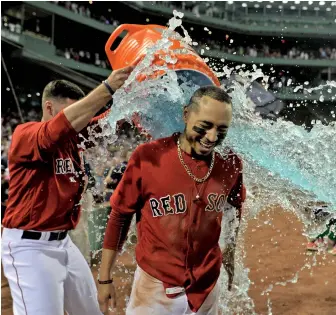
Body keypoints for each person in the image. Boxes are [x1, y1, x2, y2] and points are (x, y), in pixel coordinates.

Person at [98, 86, 246, 315]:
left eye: (221, 129)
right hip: (155, 288)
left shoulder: (231, 163)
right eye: (205, 126)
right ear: (186, 114)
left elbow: (235, 207)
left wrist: (230, 251)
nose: (212, 137)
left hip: (206, 287)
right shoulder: (149, 157)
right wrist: (105, 278)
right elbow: (120, 216)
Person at [1, 65, 133, 315]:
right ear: (49, 108)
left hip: (64, 242)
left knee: (91, 311)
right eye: (73, 112)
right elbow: (58, 128)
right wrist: (107, 87)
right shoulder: (25, 134)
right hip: (29, 247)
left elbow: (106, 122)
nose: (78, 122)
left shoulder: (72, 139)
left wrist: (134, 95)